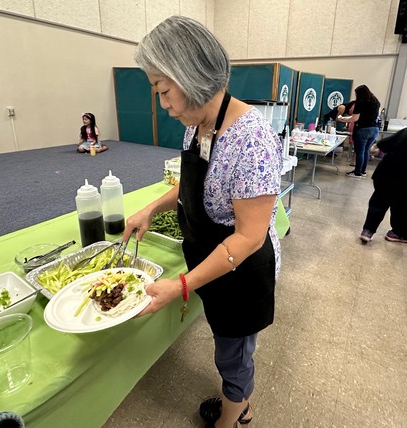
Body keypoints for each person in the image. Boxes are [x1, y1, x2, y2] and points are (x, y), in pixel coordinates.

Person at [123, 16, 282, 428]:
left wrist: (181, 285)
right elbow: (196, 183)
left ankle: (233, 415)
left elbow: (249, 237)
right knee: (228, 345)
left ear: (190, 75)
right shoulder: (198, 124)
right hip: (212, 262)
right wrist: (151, 209)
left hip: (242, 274)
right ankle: (239, 400)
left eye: (163, 90)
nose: (163, 104)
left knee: (234, 353)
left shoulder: (252, 140)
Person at [359, 104, 407, 244]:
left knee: (378, 202)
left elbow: (381, 146)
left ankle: (367, 231)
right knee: (401, 206)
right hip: (406, 176)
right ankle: (399, 233)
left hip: (385, 171)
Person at [338, 85, 380, 178]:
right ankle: (362, 171)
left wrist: (342, 119)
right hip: (375, 129)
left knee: (360, 151)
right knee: (366, 150)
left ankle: (357, 172)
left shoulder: (360, 102)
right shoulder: (376, 101)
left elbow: (355, 118)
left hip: (363, 129)